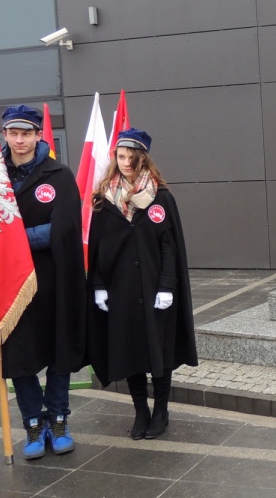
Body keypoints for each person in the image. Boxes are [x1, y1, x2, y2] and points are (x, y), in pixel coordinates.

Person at [0, 105, 85, 460]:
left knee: (58, 352)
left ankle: (58, 419)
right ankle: (32, 424)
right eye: (13, 133)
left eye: (27, 133)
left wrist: (14, 237)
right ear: (4, 135)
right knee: (18, 357)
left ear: (39, 135)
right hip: (9, 283)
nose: (20, 140)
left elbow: (65, 227)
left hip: (52, 281)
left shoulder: (59, 174)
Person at [87, 128, 197, 440]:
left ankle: (161, 410)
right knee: (131, 351)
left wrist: (166, 285)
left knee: (159, 350)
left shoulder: (160, 197)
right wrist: (98, 285)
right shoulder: (104, 199)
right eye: (120, 157)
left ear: (143, 159)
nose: (125, 163)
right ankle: (140, 411)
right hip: (120, 290)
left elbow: (168, 246)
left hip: (153, 289)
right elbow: (97, 246)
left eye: (131, 159)